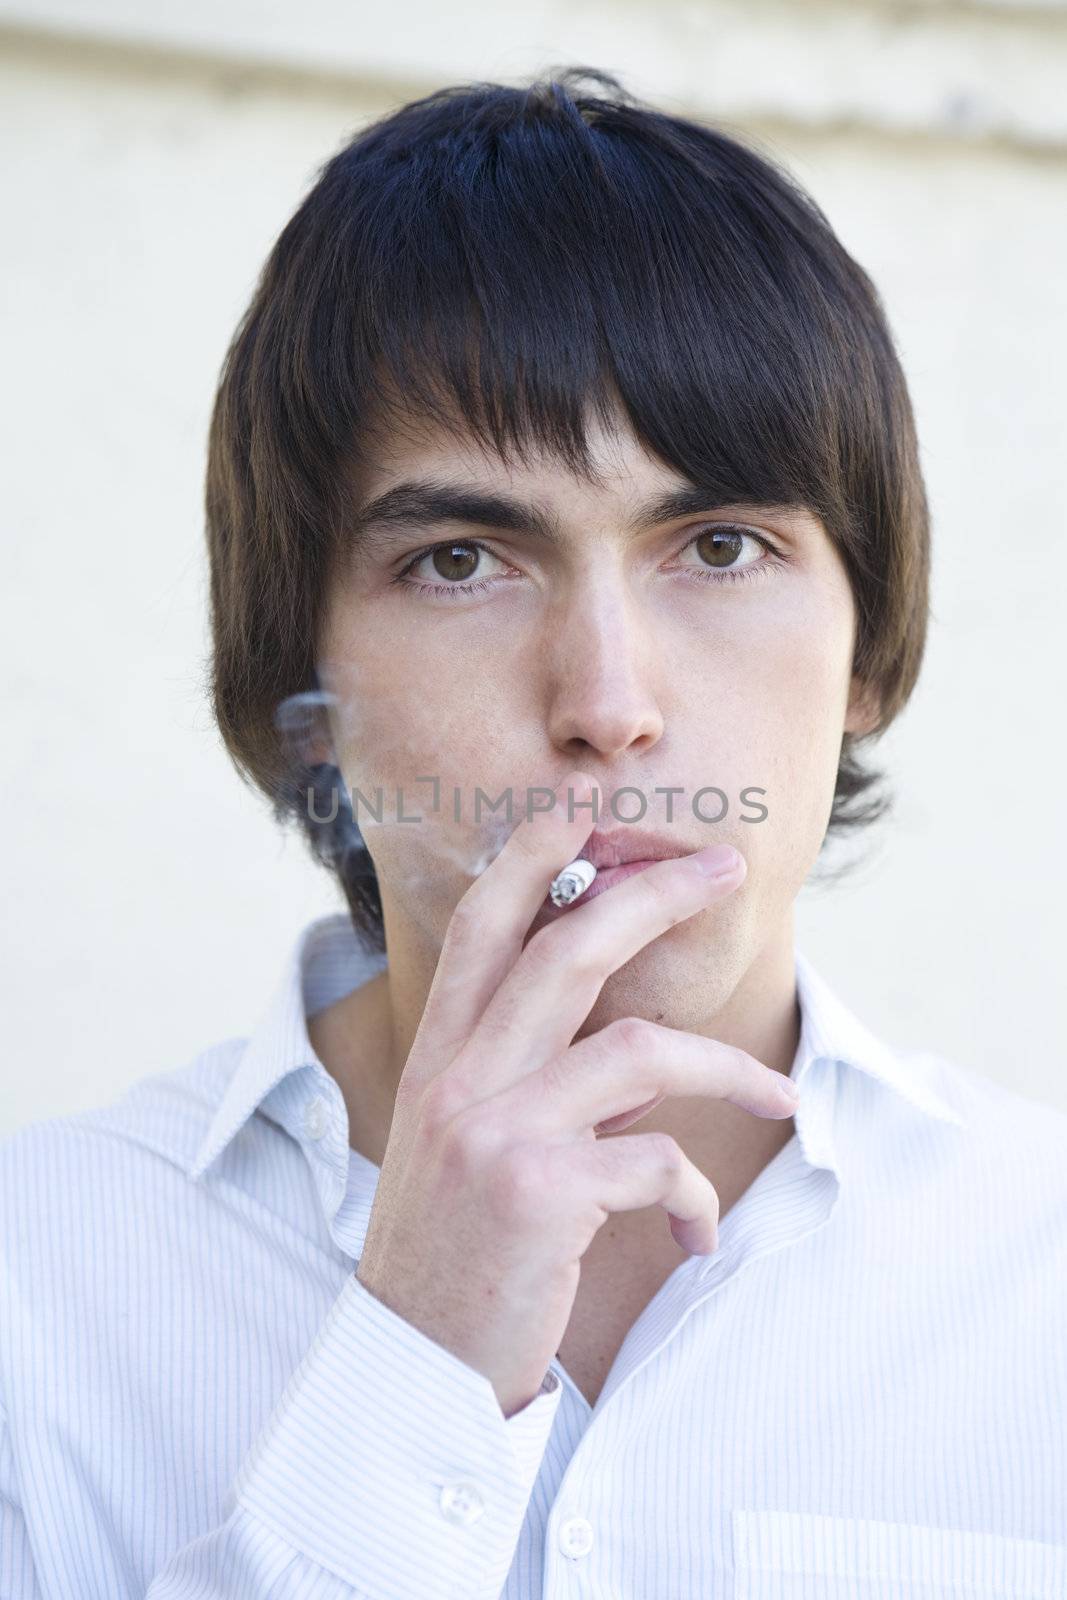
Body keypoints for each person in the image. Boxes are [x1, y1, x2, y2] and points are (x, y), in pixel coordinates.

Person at [3, 66, 1065, 1600]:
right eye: (460, 563)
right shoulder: (36, 1287)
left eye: (719, 546)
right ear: (301, 689)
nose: (609, 704)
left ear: (873, 657)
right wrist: (415, 1357)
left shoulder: (1039, 1280)